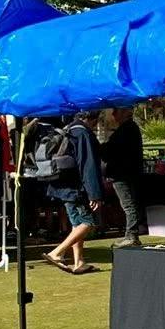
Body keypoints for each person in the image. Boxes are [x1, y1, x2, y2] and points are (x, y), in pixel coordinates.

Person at [45, 112, 105, 273]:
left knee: (77, 224)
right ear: (92, 119)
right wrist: (95, 194)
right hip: (75, 188)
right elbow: (88, 165)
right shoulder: (83, 133)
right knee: (88, 223)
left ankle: (79, 261)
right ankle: (57, 252)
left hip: (62, 186)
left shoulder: (69, 128)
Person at [98, 106, 146, 248]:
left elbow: (111, 151)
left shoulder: (126, 130)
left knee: (128, 205)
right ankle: (131, 234)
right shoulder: (128, 129)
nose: (113, 114)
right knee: (129, 204)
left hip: (122, 174)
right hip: (126, 172)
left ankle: (131, 235)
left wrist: (101, 148)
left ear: (124, 112)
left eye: (116, 111)